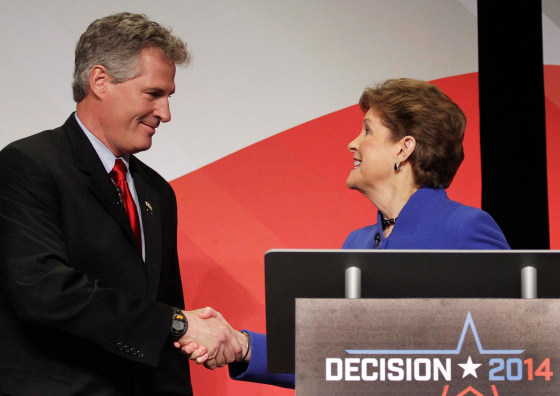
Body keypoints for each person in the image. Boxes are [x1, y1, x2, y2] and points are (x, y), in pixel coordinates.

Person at [181, 78, 510, 388]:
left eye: (367, 131)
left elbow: (515, 355)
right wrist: (242, 346)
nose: (352, 143)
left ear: (403, 149)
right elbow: (333, 362)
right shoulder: (357, 242)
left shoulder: (465, 230)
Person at [0, 12, 244, 395]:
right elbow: (44, 291)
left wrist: (175, 328)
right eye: (153, 94)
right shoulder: (28, 164)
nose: (165, 113)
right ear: (100, 81)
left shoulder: (157, 192)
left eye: (168, 97)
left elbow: (167, 328)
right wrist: (175, 323)